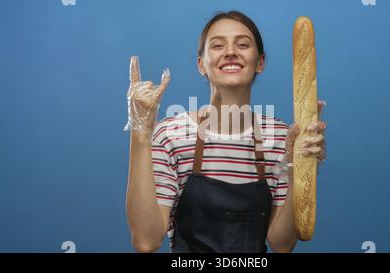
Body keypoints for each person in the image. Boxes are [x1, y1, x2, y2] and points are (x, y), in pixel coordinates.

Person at [125, 10, 327, 253]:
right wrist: (141, 134)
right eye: (218, 45)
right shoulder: (170, 135)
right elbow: (146, 241)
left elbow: (281, 244)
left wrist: (301, 172)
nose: (230, 52)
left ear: (260, 62)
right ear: (201, 64)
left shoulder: (282, 139)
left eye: (242, 44)